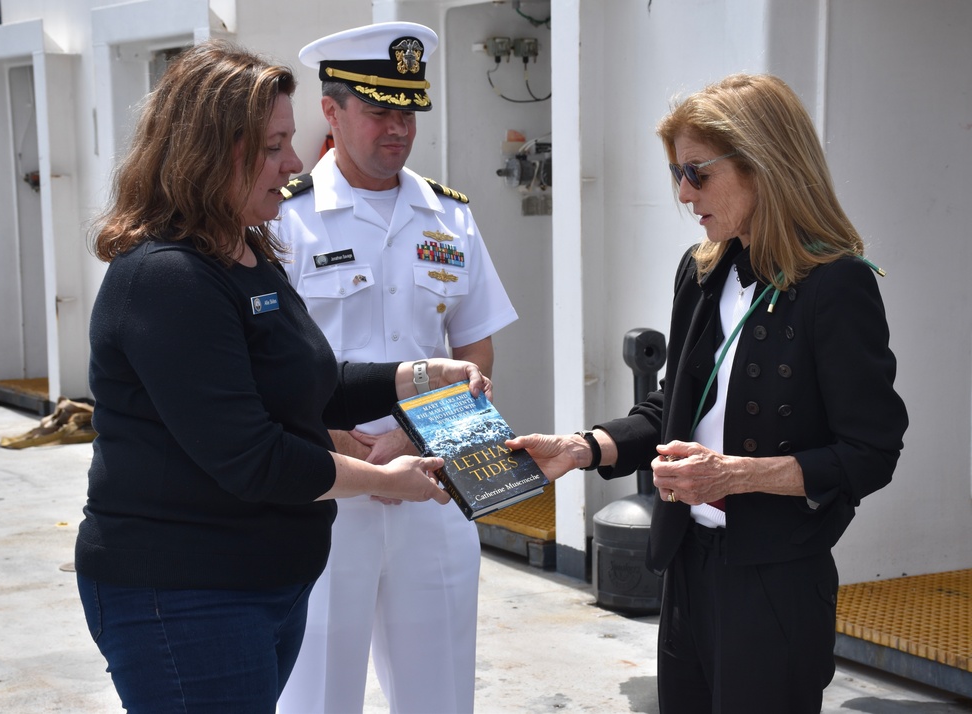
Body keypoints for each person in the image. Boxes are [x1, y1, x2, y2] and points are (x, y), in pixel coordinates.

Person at [74, 39, 490, 714]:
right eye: (272, 147)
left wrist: (413, 377)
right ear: (209, 150)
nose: (295, 162)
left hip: (264, 576)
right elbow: (251, 455)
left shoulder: (245, 250)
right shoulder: (168, 277)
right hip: (187, 590)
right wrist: (383, 479)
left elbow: (310, 381)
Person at [508, 73, 908, 714]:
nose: (682, 194)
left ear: (762, 164)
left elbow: (871, 452)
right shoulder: (704, 269)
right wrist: (585, 449)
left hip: (774, 580)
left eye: (696, 173)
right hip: (688, 562)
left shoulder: (837, 287)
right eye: (675, 174)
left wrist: (735, 475)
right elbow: (677, 403)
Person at [276, 22, 518, 714]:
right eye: (379, 109)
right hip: (325, 492)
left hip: (438, 483)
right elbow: (269, 368)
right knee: (315, 695)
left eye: (408, 110)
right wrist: (344, 451)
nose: (399, 129)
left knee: (441, 694)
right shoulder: (284, 220)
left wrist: (416, 439)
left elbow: (476, 348)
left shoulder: (449, 216)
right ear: (332, 110)